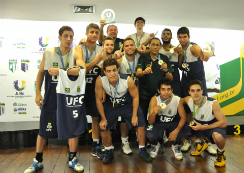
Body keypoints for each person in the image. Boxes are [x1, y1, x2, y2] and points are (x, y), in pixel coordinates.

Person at [24, 26, 86, 173]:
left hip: (68, 98)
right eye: (66, 36)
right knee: (44, 130)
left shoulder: (76, 53)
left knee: (73, 128)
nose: (69, 39)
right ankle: (37, 160)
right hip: (51, 97)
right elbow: (40, 73)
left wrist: (61, 71)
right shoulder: (49, 52)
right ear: (59, 37)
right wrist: (37, 93)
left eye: (71, 36)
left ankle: (72, 158)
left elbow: (82, 69)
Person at [95, 58, 152, 164]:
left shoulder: (127, 80)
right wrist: (103, 118)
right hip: (111, 105)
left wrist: (134, 115)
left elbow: (135, 97)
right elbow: (98, 100)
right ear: (104, 72)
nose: (112, 74)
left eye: (114, 70)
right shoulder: (100, 80)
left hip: (128, 104)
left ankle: (142, 149)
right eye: (109, 71)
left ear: (117, 70)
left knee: (140, 124)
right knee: (103, 126)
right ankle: (109, 152)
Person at [176, 27, 215, 155]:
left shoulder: (193, 47)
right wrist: (180, 54)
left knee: (203, 113)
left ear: (189, 37)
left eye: (184, 37)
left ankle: (206, 142)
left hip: (198, 85)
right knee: (188, 113)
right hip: (186, 84)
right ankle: (188, 139)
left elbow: (202, 55)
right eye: (180, 37)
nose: (182, 39)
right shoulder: (180, 48)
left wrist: (206, 54)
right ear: (178, 37)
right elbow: (181, 67)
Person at [181, 79, 227, 167]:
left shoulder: (212, 103)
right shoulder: (188, 100)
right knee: (181, 128)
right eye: (193, 91)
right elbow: (180, 100)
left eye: (198, 90)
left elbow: (223, 123)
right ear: (189, 92)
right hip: (199, 125)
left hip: (212, 126)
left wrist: (202, 127)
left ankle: (221, 153)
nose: (196, 93)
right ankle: (200, 143)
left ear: (202, 91)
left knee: (218, 137)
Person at [75, 23, 104, 159]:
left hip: (94, 88)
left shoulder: (101, 49)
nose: (94, 34)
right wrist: (95, 61)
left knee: (96, 117)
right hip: (78, 88)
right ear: (86, 34)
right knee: (75, 117)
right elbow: (82, 70)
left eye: (96, 32)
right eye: (91, 32)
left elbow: (103, 72)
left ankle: (96, 145)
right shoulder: (79, 47)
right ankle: (72, 148)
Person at [146, 78, 191, 160]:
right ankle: (155, 145)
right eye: (163, 89)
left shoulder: (177, 99)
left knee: (188, 128)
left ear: (172, 90)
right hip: (158, 122)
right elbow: (150, 122)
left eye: (168, 89)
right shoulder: (154, 99)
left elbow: (183, 117)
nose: (166, 92)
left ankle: (176, 146)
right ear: (158, 90)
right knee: (148, 132)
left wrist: (176, 130)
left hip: (173, 122)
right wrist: (154, 113)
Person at [136, 38, 173, 124]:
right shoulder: (143, 58)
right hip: (144, 95)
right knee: (142, 118)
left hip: (160, 96)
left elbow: (171, 78)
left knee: (157, 118)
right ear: (149, 46)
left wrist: (166, 70)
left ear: (160, 46)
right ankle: (143, 136)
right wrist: (144, 72)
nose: (155, 47)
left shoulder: (164, 58)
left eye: (157, 45)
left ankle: (156, 136)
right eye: (153, 44)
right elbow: (138, 74)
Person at [159, 28, 181, 97]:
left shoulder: (176, 49)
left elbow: (180, 67)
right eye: (164, 34)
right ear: (161, 37)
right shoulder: (158, 50)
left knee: (176, 102)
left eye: (168, 34)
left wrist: (180, 54)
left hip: (175, 80)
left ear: (171, 37)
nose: (165, 36)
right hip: (161, 80)